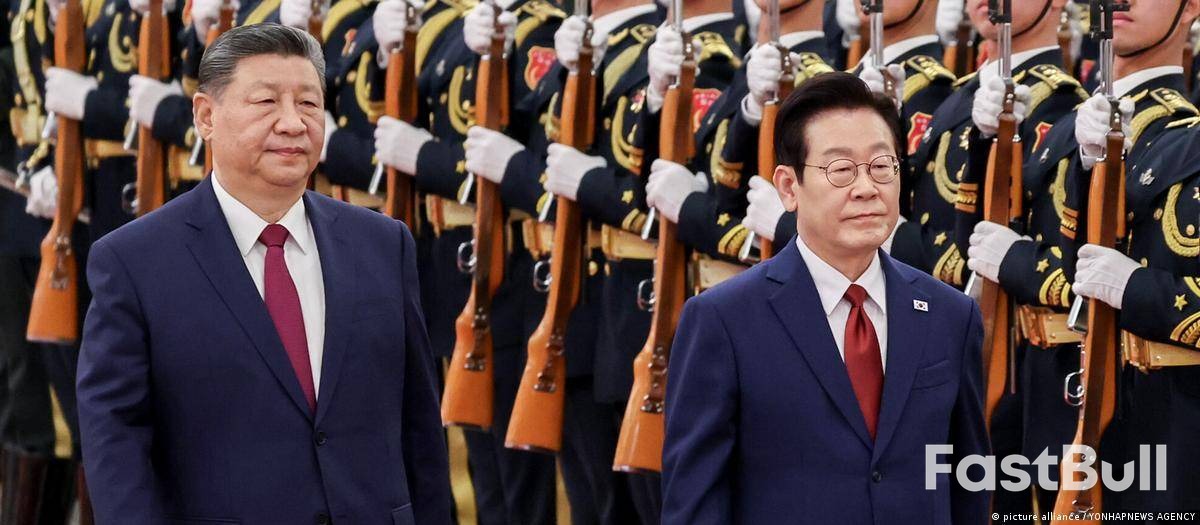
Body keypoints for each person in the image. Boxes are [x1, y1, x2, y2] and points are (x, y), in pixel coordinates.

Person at [75, 24, 450, 524]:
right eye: (266, 102)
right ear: (206, 116)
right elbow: (115, 444)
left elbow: (420, 429)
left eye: (309, 103)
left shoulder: (382, 244)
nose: (293, 123)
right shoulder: (135, 262)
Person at [661, 72, 989, 524]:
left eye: (881, 166)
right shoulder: (724, 320)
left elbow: (969, 484)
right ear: (788, 187)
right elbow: (694, 503)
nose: (866, 187)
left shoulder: (950, 314)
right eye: (841, 170)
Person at [967, 0, 1199, 513]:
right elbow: (995, 240)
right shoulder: (1072, 125)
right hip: (1045, 398)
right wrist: (984, 145)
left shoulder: (1183, 136)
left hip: (1161, 427)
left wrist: (1135, 289)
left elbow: (1078, 275)